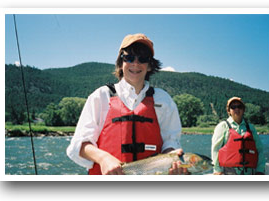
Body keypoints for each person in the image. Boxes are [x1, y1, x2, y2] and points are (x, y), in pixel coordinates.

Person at [67, 33, 187, 175]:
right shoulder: (100, 96)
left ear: (149, 66)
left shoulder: (163, 100)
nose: (135, 63)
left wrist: (172, 159)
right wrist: (103, 158)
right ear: (120, 62)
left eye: (142, 59)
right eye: (129, 57)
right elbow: (78, 145)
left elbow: (171, 142)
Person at [211, 97, 266, 175]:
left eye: (239, 106)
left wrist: (260, 169)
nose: (237, 109)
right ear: (229, 111)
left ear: (243, 110)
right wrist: (217, 169)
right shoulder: (222, 126)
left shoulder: (251, 128)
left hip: (250, 172)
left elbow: (259, 150)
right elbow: (215, 149)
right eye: (233, 107)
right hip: (229, 172)